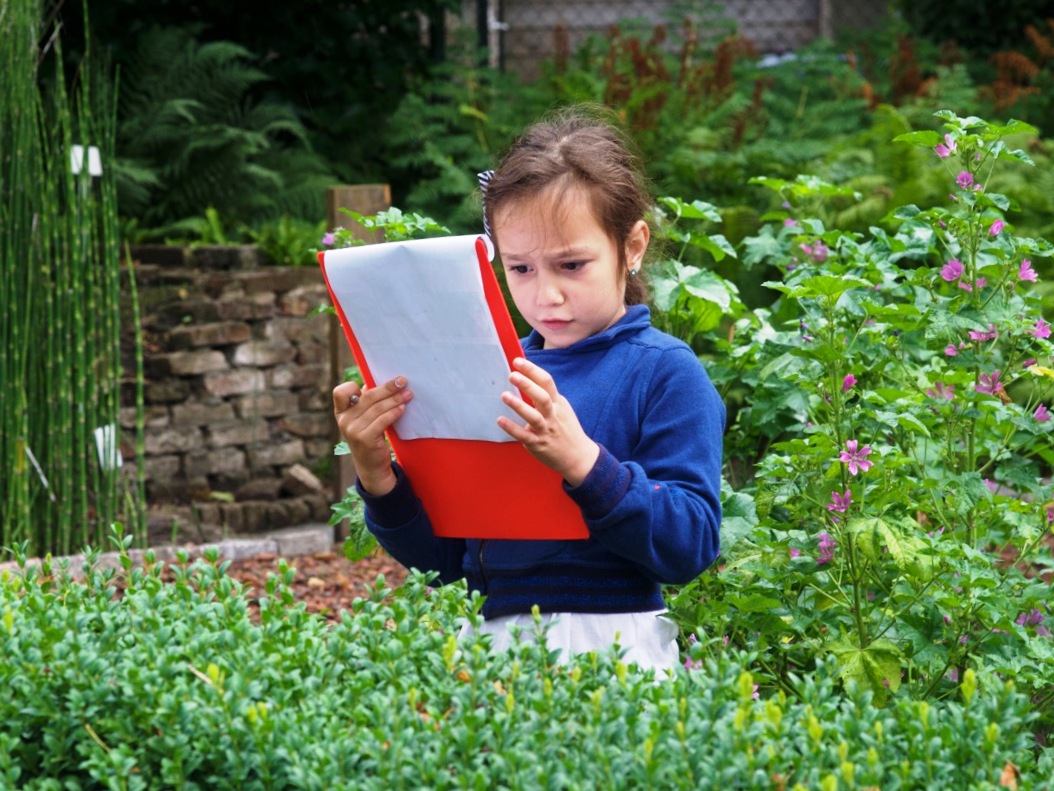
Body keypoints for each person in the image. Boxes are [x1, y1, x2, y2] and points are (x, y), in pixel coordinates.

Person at [332, 106, 724, 671]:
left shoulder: (664, 371)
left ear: (632, 246)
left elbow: (689, 545)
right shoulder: (491, 369)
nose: (547, 296)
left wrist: (583, 461)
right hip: (488, 650)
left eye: (571, 264)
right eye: (521, 269)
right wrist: (378, 476)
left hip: (609, 646)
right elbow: (445, 561)